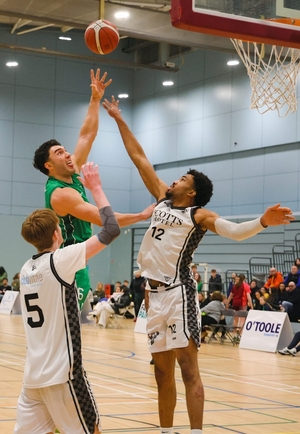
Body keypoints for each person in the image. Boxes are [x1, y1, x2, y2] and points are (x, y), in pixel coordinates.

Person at [102, 95, 294, 434]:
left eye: (182, 180)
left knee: (189, 370)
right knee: (161, 373)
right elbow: (138, 157)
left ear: (191, 193)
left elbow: (234, 232)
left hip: (179, 294)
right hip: (154, 294)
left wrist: (262, 221)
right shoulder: (162, 198)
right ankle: (166, 431)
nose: (174, 181)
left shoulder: (198, 215)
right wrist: (119, 119)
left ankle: (196, 432)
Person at [33, 69, 153, 312]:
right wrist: (140, 216)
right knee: (68, 325)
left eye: (65, 150)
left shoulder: (71, 173)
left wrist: (95, 98)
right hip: (68, 261)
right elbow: (105, 220)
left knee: (70, 325)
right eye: (59, 153)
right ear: (48, 166)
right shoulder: (61, 194)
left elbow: (87, 134)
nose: (67, 154)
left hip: (77, 258)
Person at [14, 162, 120, 434]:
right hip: (63, 375)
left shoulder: (26, 269)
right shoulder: (60, 259)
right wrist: (95, 188)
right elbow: (110, 230)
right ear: (57, 233)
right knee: (91, 430)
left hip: (33, 376)